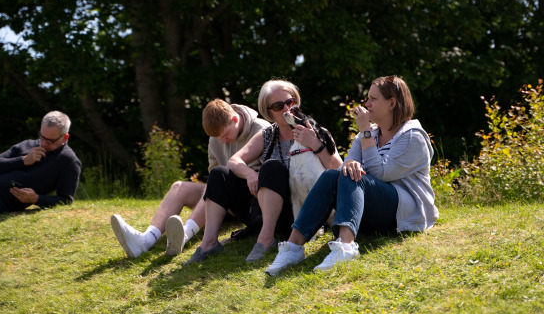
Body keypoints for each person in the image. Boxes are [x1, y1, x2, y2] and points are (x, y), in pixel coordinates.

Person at [265, 75, 439, 276]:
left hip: (403, 214)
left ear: (392, 103)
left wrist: (365, 132)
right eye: (368, 98)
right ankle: (293, 247)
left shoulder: (412, 136)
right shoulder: (367, 135)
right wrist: (356, 152)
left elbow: (381, 174)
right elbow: (343, 171)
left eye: (373, 99)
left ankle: (346, 246)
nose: (367, 104)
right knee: (333, 175)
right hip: (371, 214)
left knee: (352, 174)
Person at [186, 78, 343, 264]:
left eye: (290, 102)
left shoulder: (314, 130)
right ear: (269, 113)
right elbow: (234, 161)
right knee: (219, 173)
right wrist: (250, 174)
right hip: (267, 209)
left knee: (271, 166)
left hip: (303, 210)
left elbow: (338, 170)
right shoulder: (268, 134)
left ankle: (266, 239)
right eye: (278, 106)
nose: (286, 109)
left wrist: (315, 144)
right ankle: (209, 243)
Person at [110, 99, 270, 258]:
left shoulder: (262, 129)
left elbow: (269, 179)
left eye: (225, 135)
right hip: (224, 199)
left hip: (252, 201)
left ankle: (184, 235)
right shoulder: (216, 138)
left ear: (235, 119)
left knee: (211, 186)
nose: (222, 141)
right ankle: (146, 239)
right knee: (179, 187)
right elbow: (216, 175)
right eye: (218, 137)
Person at [0, 111, 82, 215]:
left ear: (65, 138)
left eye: (50, 141)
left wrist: (36, 199)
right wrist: (23, 160)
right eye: (42, 137)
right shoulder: (28, 144)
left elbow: (66, 200)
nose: (43, 144)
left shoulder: (69, 161)